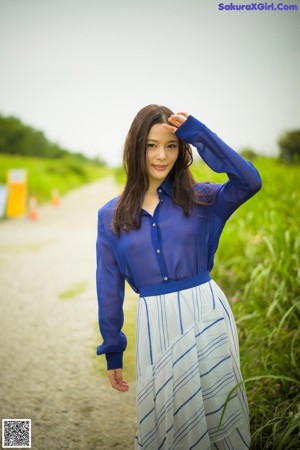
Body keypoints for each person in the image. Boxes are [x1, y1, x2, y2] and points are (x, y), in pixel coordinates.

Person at [95, 104, 262, 449]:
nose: (161, 156)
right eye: (151, 145)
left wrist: (197, 133)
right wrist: (113, 348)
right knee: (167, 424)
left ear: (182, 150)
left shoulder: (203, 199)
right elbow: (108, 284)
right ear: (135, 148)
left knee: (220, 419)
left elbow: (250, 181)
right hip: (155, 323)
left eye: (171, 146)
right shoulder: (110, 214)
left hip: (207, 315)